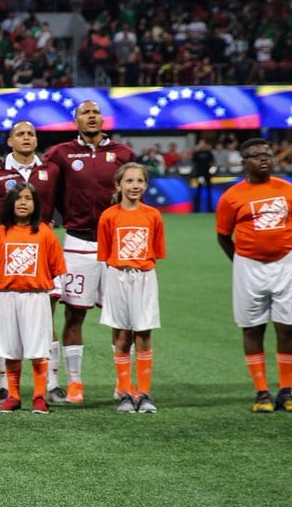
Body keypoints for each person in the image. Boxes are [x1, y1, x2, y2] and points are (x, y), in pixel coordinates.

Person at [42, 100, 135, 403]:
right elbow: (42, 185)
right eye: (85, 113)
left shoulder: (123, 154)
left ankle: (123, 384)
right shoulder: (60, 153)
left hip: (117, 244)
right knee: (74, 314)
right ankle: (75, 383)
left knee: (122, 317)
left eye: (96, 112)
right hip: (78, 244)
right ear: (76, 121)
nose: (92, 117)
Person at [0, 120, 62, 401]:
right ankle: (4, 386)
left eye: (31, 134)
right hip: (7, 255)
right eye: (20, 134)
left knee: (46, 320)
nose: (26, 138)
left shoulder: (50, 170)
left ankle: (51, 384)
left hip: (42, 250)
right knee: (5, 327)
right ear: (9, 141)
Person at [215, 138, 292, 412]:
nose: (264, 158)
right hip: (248, 265)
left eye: (267, 154)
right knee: (253, 326)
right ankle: (262, 393)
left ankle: (286, 389)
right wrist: (240, 261)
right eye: (256, 155)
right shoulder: (232, 197)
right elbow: (223, 235)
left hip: (285, 262)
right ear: (244, 162)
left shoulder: (287, 189)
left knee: (287, 327)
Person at [0, 183, 66, 415]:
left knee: (39, 348)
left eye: (28, 198)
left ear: (36, 204)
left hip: (36, 297)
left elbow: (56, 268)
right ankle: (14, 396)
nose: (22, 202)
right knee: (11, 348)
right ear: (9, 203)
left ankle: (39, 396)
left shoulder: (45, 234)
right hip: (8, 296)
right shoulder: (0, 233)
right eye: (18, 198)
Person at [98, 163, 165, 414]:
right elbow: (105, 253)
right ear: (118, 185)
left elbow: (156, 251)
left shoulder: (153, 215)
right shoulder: (109, 216)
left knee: (144, 334)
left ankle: (144, 393)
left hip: (145, 277)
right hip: (117, 276)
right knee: (122, 336)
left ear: (146, 185)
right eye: (129, 181)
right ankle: (126, 392)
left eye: (139, 181)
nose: (134, 186)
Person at [192, 139, 216, 213]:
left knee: (209, 191)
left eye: (203, 143)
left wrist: (212, 171)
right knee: (199, 191)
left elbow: (212, 162)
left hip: (207, 175)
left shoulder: (208, 153)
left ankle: (210, 209)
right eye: (200, 143)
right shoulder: (196, 153)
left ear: (205, 144)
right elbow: (193, 163)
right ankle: (196, 209)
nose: (201, 145)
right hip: (200, 175)